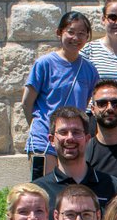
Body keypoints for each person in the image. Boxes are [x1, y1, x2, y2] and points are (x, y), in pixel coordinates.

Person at [24, 11, 100, 179]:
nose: (76, 38)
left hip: (72, 140)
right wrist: (39, 129)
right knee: (44, 190)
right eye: (71, 32)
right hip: (45, 140)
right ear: (59, 33)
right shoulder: (44, 64)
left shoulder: (90, 70)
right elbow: (27, 102)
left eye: (82, 34)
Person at [33, 107, 117, 220]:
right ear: (52, 140)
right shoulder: (39, 191)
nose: (70, 138)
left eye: (76, 132)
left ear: (87, 139)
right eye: (63, 132)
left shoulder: (112, 186)